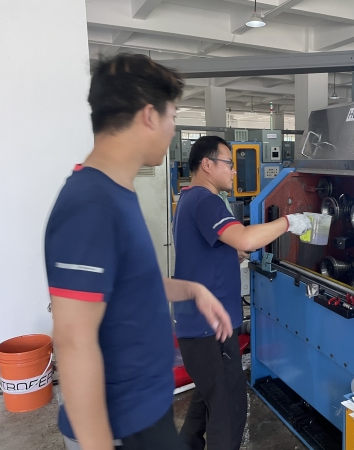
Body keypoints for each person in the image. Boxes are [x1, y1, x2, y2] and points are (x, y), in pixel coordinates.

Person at [44, 54, 233, 450]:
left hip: (146, 409)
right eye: (172, 116)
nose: (172, 128)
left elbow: (128, 283)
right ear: (149, 116)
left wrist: (192, 290)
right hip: (119, 427)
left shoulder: (118, 193)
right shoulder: (89, 204)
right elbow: (73, 340)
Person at [172, 135, 312, 450]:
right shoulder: (206, 200)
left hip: (197, 325)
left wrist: (228, 252)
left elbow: (208, 247)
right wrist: (290, 222)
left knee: (207, 397)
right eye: (228, 163)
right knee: (229, 410)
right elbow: (246, 238)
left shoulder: (188, 198)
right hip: (210, 328)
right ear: (207, 165)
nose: (234, 171)